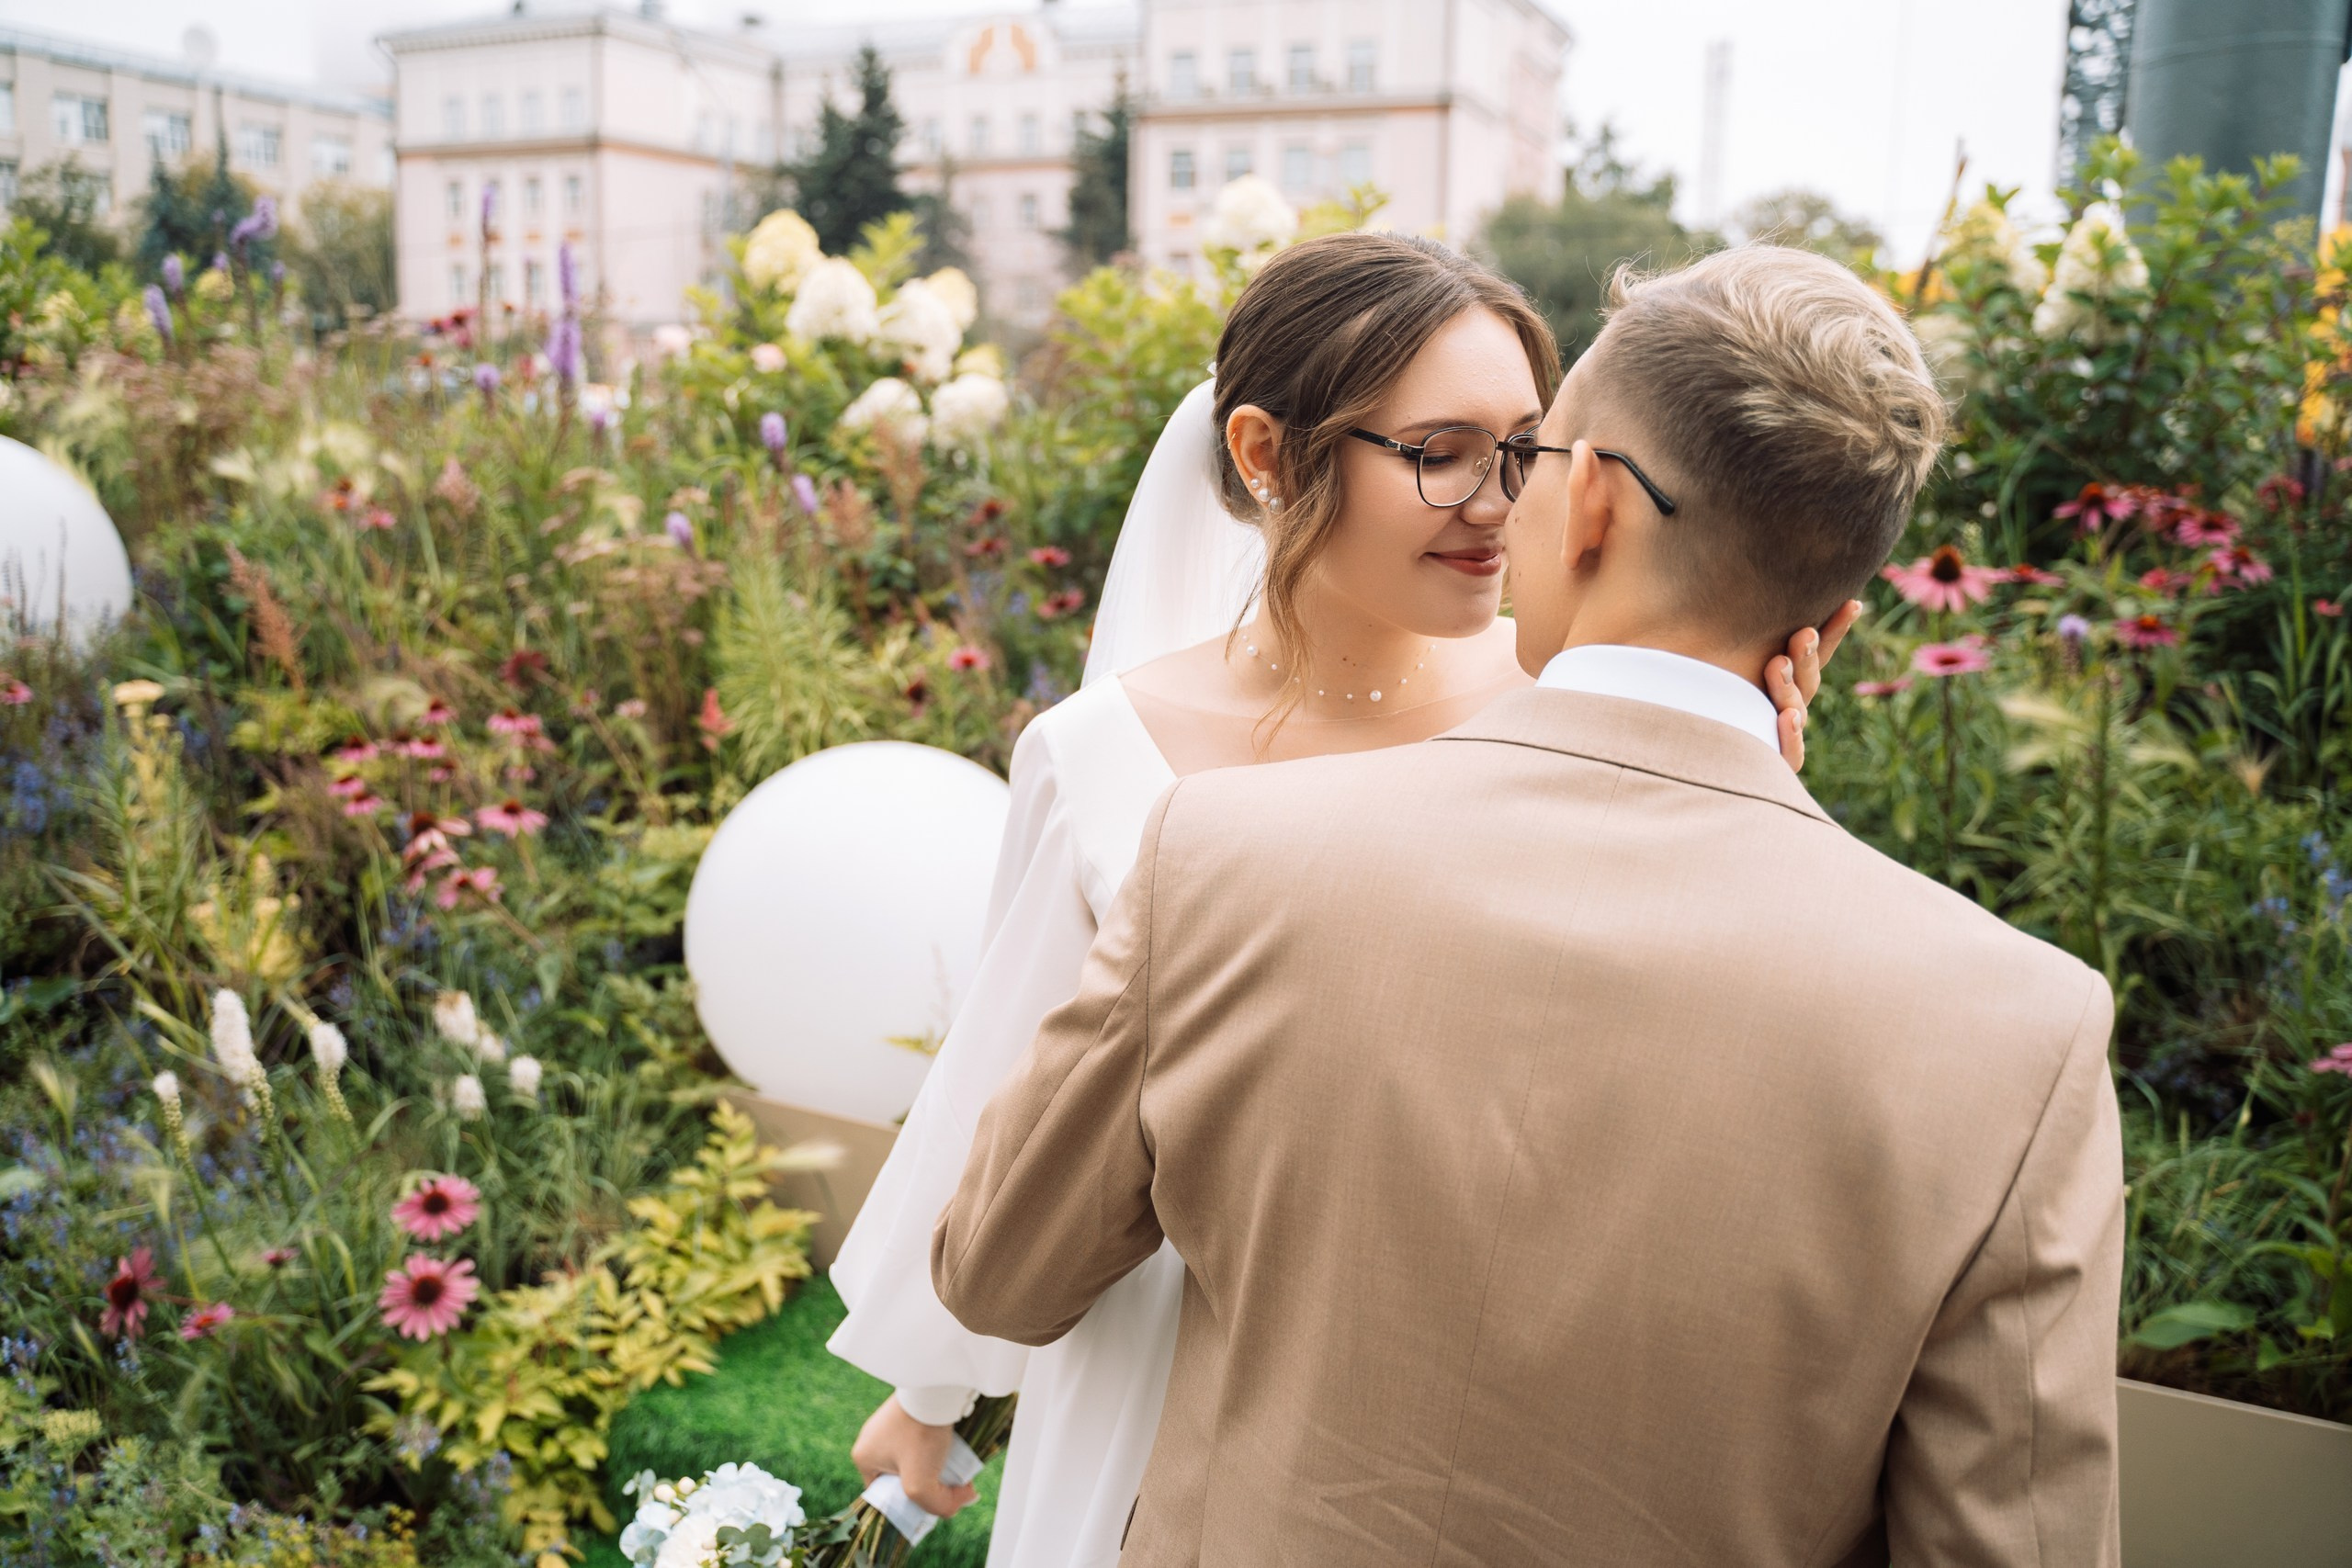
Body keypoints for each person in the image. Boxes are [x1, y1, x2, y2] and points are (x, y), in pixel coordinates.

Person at [933, 245, 2126, 1565]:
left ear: (1595, 504)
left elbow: (1000, 1273)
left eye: (1534, 453)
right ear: (1831, 626)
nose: (1501, 506)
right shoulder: (2023, 1036)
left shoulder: (1224, 859)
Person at [826, 233, 1846, 1566]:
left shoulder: (1579, 705)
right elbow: (1012, 1103)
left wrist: (1749, 805)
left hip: (1491, 1367)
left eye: (1526, 447)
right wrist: (936, 1394)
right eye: (1439, 450)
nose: (1498, 501)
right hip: (1171, 1367)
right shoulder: (1100, 757)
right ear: (1265, 454)